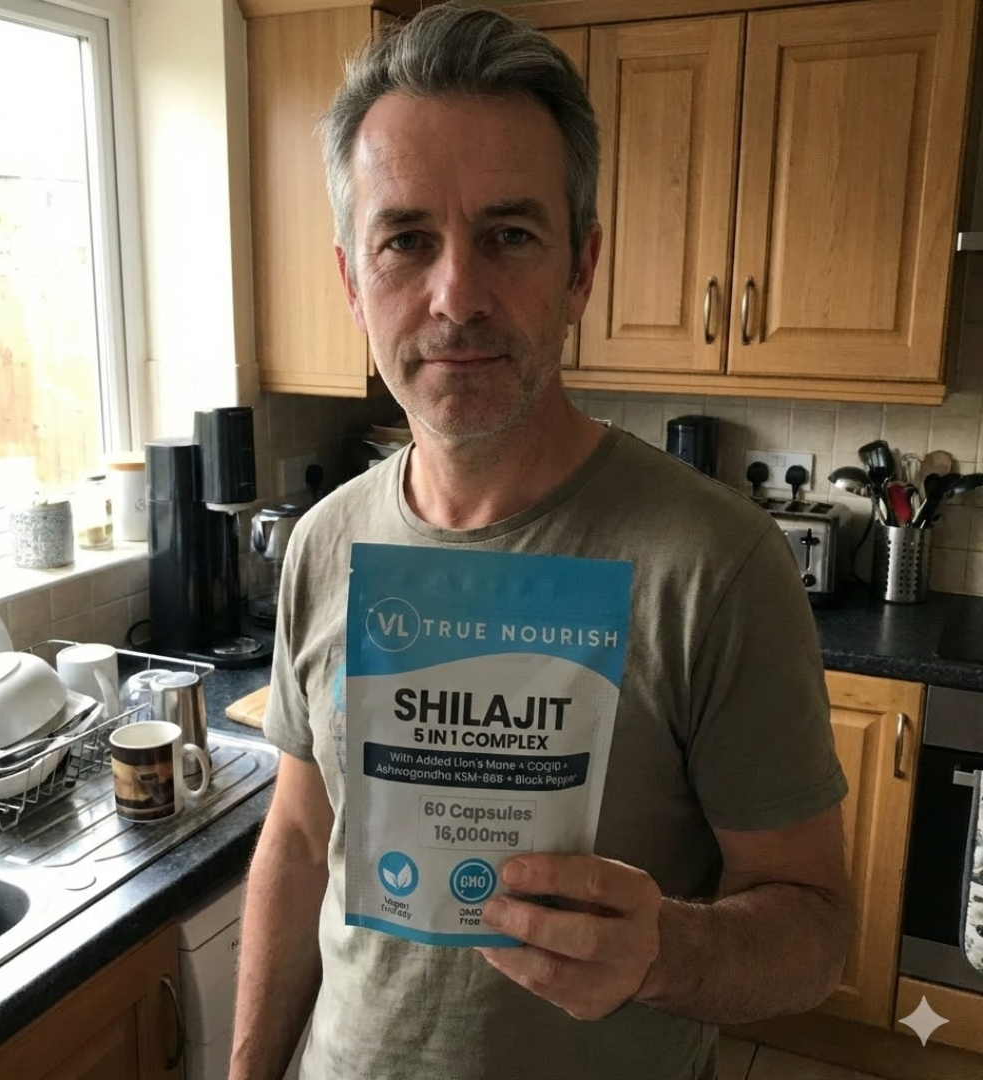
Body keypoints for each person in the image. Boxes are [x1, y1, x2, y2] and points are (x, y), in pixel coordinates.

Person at [229, 5, 851, 1078]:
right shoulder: (325, 543)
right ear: (352, 281)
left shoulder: (716, 566)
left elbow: (816, 931)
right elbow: (296, 837)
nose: (457, 295)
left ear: (580, 268)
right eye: (406, 240)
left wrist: (665, 952)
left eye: (510, 235)